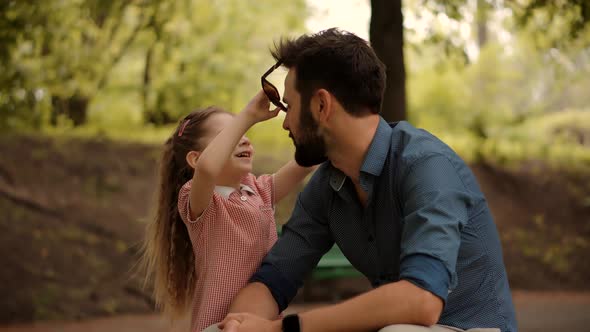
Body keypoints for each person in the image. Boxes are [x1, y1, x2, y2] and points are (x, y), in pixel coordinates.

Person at [216, 28, 517, 332]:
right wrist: (238, 325)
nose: (286, 123)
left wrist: (280, 329)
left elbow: (421, 300)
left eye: (290, 107)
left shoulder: (426, 165)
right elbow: (273, 280)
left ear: (322, 106)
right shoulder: (327, 186)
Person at [140, 92, 315, 332]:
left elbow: (306, 162)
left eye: (244, 134)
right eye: (231, 134)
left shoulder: (258, 190)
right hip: (218, 326)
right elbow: (208, 168)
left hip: (261, 323)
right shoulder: (200, 200)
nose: (244, 139)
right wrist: (248, 115)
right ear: (195, 159)